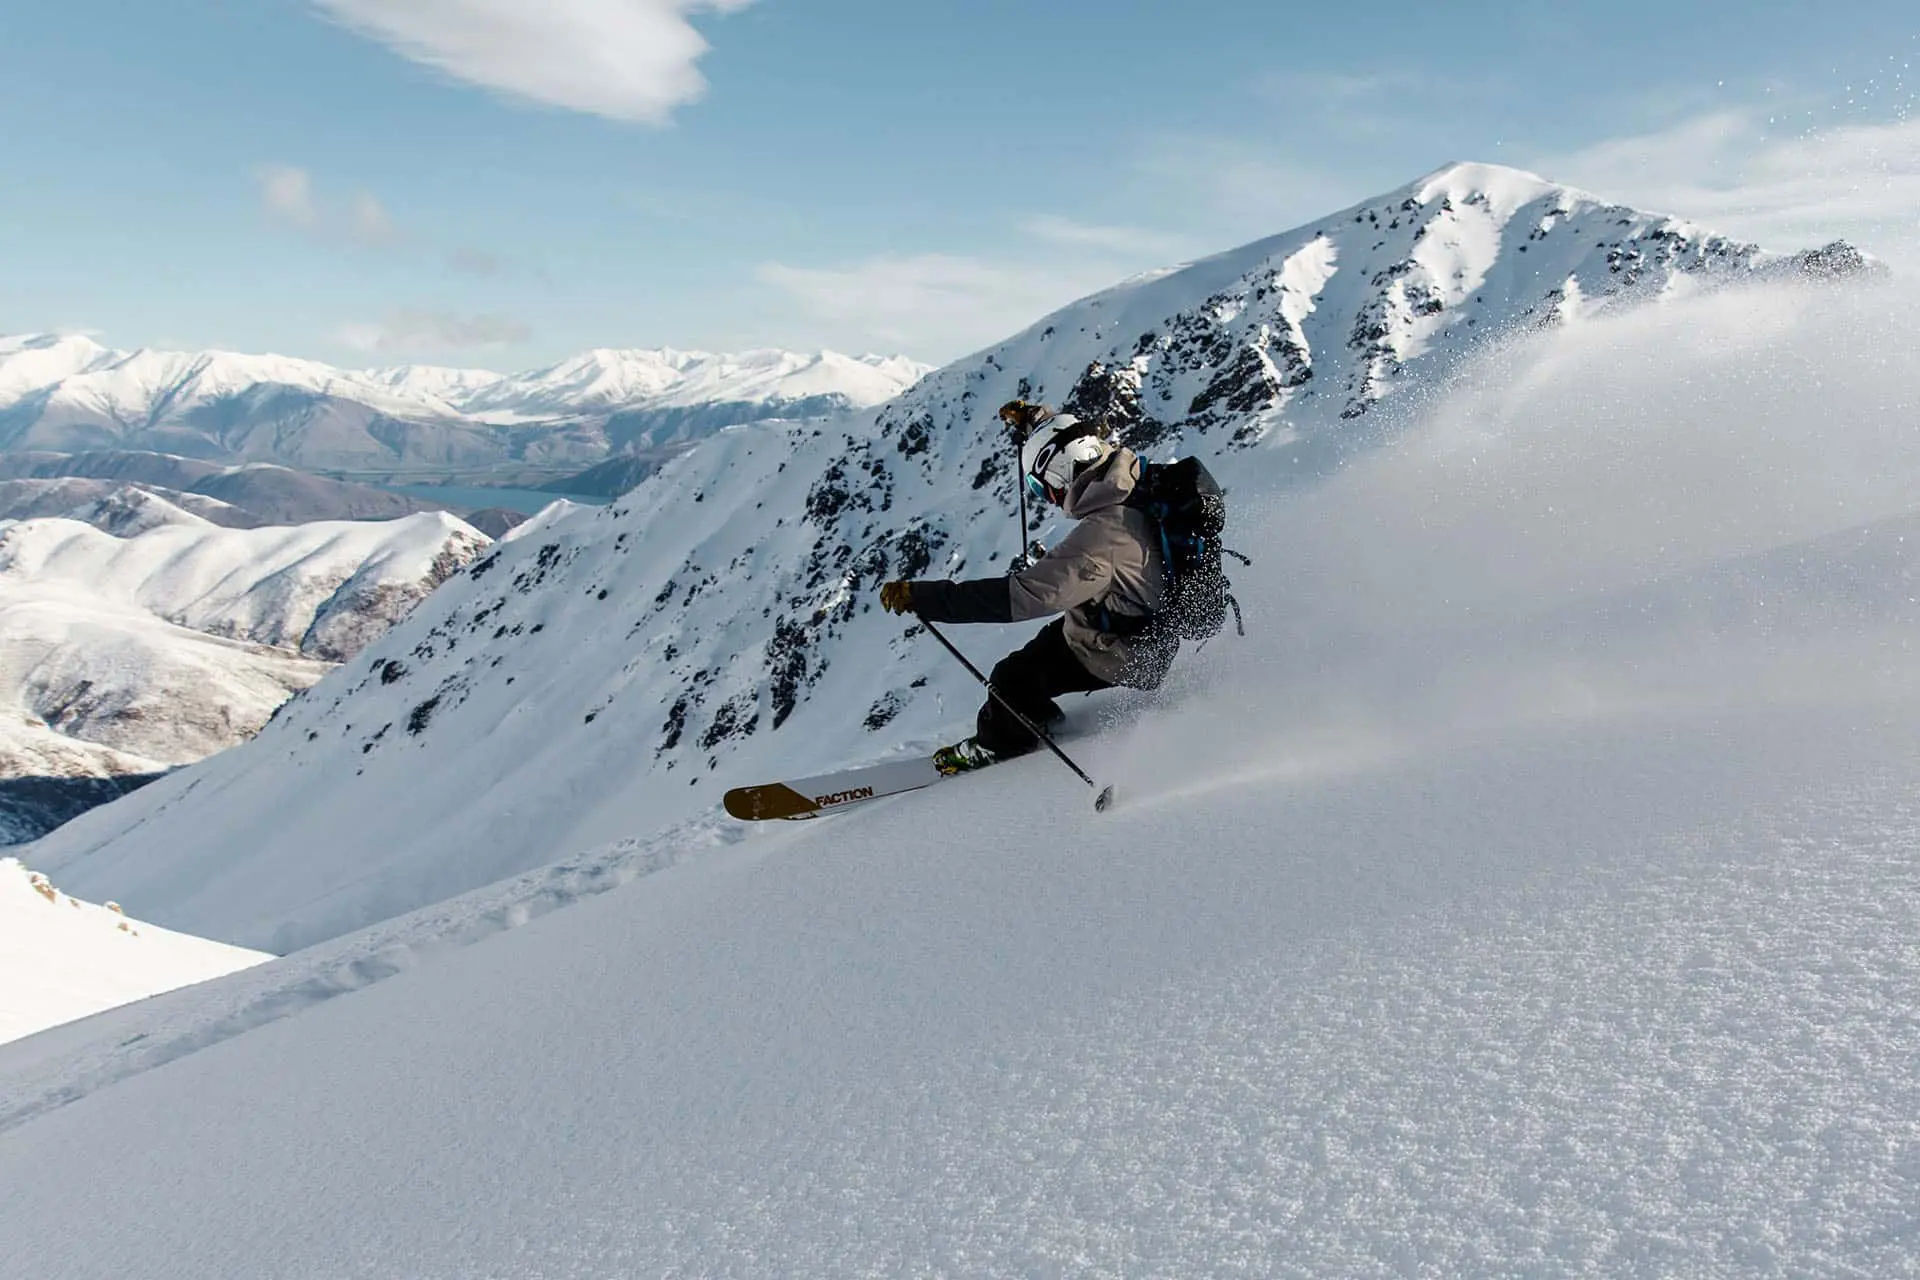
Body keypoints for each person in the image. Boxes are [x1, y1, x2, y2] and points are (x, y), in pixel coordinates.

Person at [879, 403, 1173, 774]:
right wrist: (1037, 420)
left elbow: (1023, 597)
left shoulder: (1102, 536)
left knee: (1010, 678)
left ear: (1063, 474)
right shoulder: (1130, 479)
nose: (1047, 495)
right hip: (1138, 622)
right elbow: (1072, 439)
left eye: (1042, 485)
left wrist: (926, 598)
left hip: (1125, 651)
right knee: (1037, 658)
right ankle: (1035, 718)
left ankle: (998, 747)